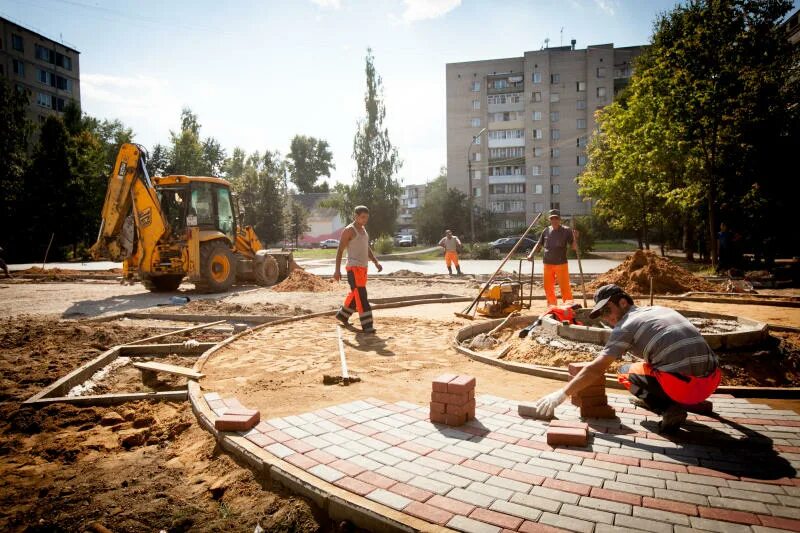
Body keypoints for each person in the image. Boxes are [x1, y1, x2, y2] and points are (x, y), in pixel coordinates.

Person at [528, 284, 721, 433]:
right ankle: (687, 399)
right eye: (601, 314)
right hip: (711, 382)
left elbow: (597, 368)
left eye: (607, 310)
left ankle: (670, 408)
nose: (605, 318)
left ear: (623, 302)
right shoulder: (659, 310)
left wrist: (561, 394)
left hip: (685, 389)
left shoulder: (626, 325)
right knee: (648, 364)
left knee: (625, 373)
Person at [334, 206, 382, 333]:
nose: (365, 220)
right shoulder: (349, 230)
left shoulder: (363, 230)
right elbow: (339, 251)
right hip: (353, 268)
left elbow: (366, 248)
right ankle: (367, 325)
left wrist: (376, 262)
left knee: (356, 295)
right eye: (362, 217)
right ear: (355, 216)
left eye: (366, 217)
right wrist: (337, 270)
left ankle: (342, 316)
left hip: (363, 269)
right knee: (362, 296)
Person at [527, 209, 577, 306]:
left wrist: (576, 238)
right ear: (550, 219)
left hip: (561, 264)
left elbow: (574, 248)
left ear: (560, 219)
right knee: (548, 287)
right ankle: (552, 306)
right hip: (547, 263)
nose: (554, 220)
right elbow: (539, 244)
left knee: (564, 288)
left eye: (556, 218)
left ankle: (569, 306)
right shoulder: (546, 231)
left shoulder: (567, 231)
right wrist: (531, 254)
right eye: (552, 218)